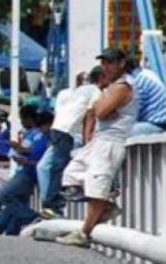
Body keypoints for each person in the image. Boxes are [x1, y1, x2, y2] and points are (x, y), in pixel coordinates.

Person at [57, 48, 139, 248]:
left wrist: (102, 108)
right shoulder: (111, 86)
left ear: (121, 63)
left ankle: (84, 233)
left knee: (97, 186)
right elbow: (97, 110)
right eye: (103, 63)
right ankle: (106, 207)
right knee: (71, 176)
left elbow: (100, 111)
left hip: (110, 142)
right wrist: (101, 107)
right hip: (99, 140)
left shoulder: (122, 86)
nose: (105, 67)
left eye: (109, 62)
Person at [39, 66, 107, 219]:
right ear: (101, 78)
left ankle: (54, 202)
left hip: (58, 127)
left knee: (58, 166)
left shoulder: (80, 90)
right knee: (61, 167)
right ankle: (53, 204)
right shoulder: (96, 92)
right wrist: (87, 140)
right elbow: (90, 117)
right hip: (67, 130)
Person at [0, 107, 50, 236]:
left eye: (22, 119)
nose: (21, 123)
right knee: (16, 203)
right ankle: (3, 229)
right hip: (23, 169)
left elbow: (35, 152)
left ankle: (32, 216)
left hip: (27, 172)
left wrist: (19, 149)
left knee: (3, 194)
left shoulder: (39, 134)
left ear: (29, 119)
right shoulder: (29, 134)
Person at [130, 61, 166, 136]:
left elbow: (133, 112)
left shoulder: (139, 80)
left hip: (158, 124)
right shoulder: (147, 73)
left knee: (121, 132)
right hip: (158, 121)